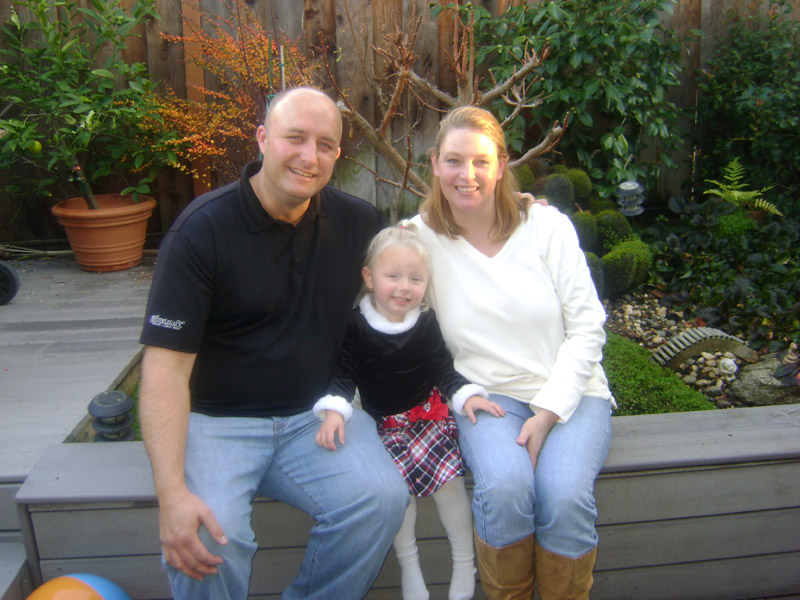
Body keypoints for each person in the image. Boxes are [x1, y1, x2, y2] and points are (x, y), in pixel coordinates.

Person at [137, 87, 409, 600]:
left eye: (325, 145)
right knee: (207, 536)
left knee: (380, 499)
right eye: (295, 138)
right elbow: (163, 371)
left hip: (315, 419)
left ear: (337, 155)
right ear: (262, 139)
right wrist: (170, 494)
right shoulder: (201, 231)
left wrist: (507, 216)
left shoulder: (359, 223)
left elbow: (419, 254)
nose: (309, 156)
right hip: (217, 422)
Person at [411, 106, 615, 600]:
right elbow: (381, 298)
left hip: (571, 392)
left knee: (563, 495)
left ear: (501, 166)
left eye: (481, 162)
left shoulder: (546, 228)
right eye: (454, 161)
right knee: (504, 488)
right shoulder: (417, 240)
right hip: (487, 399)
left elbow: (588, 326)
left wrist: (548, 412)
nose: (467, 174)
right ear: (434, 163)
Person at [313, 222, 505, 600]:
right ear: (369, 277)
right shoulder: (357, 326)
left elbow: (443, 368)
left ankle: (464, 561)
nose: (404, 287)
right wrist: (334, 410)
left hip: (427, 416)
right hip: (384, 426)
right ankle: (409, 564)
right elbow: (344, 373)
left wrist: (466, 395)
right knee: (399, 495)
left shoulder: (425, 322)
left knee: (449, 486)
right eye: (393, 276)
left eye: (415, 278)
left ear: (426, 282)